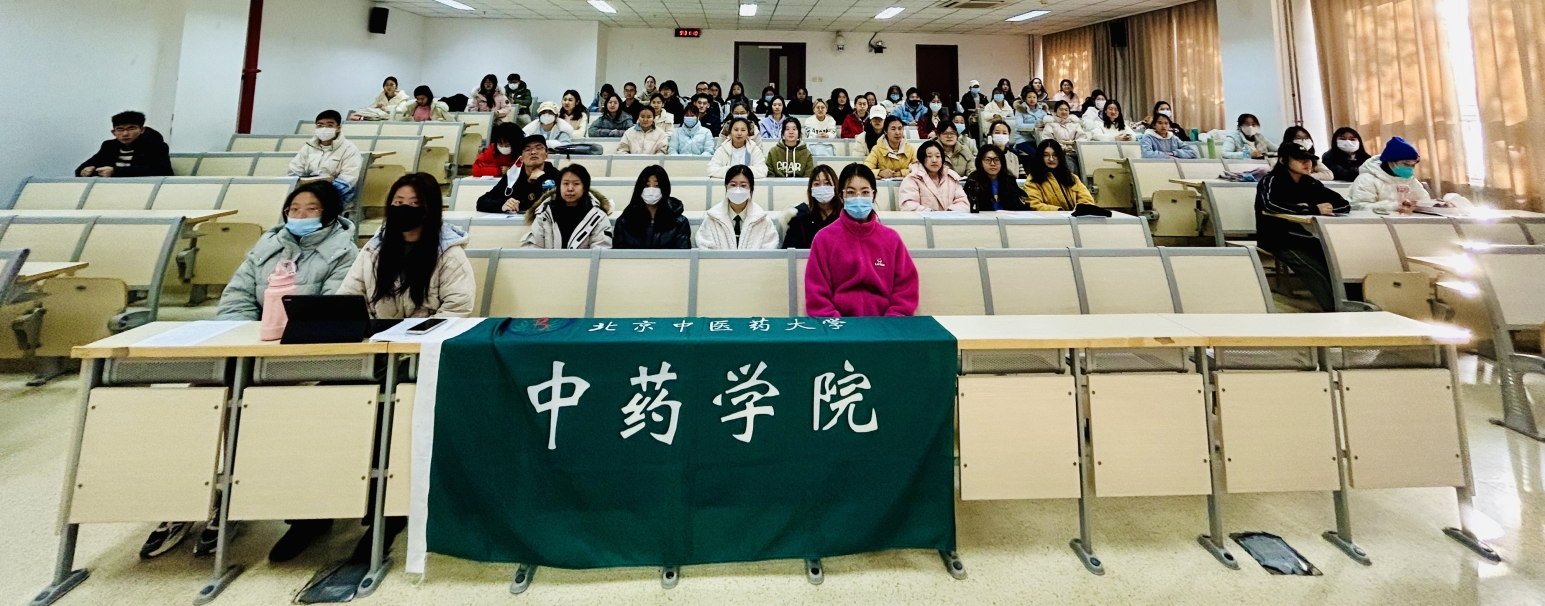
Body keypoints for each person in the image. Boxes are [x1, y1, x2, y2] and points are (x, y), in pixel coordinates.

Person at [340, 173, 474, 322]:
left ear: (430, 208)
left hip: (427, 333)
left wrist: (417, 332)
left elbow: (457, 307)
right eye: (398, 202)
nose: (404, 208)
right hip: (377, 332)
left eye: (415, 203)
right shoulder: (374, 249)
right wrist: (370, 328)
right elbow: (349, 295)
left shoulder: (448, 253)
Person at [215, 180, 357, 320]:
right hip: (260, 330)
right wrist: (243, 329)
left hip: (310, 331)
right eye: (294, 209)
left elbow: (332, 311)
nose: (300, 216)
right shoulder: (267, 246)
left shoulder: (344, 253)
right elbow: (237, 298)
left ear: (330, 212)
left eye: (311, 209)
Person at [805, 163, 919, 318]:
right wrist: (837, 325)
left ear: (874, 195)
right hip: (840, 325)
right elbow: (817, 294)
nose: (858, 198)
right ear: (841, 196)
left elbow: (906, 288)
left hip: (885, 323)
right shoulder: (824, 239)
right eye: (851, 192)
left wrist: (892, 320)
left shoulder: (891, 239)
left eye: (865, 192)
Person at [1255, 142, 1350, 312]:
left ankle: (1353, 304)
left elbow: (1343, 204)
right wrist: (1311, 209)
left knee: (1338, 262)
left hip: (1306, 238)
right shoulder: (1270, 181)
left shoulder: (1310, 182)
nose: (1307, 163)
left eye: (1309, 159)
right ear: (1283, 160)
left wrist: (1326, 208)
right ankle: (1336, 311)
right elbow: (1269, 205)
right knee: (1315, 270)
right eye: (1300, 159)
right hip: (1277, 239)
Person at [520, 165, 613, 249]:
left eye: (576, 184)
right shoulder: (544, 213)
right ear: (559, 186)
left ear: (584, 188)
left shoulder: (597, 216)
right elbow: (532, 247)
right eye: (565, 183)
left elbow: (601, 249)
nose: (570, 188)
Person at [697, 165, 779, 249]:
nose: (738, 190)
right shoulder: (712, 218)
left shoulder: (763, 220)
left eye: (743, 185)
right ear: (726, 186)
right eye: (733, 185)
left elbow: (769, 249)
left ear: (750, 187)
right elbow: (705, 248)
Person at [476, 134, 561, 213]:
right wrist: (502, 204)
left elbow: (558, 204)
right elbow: (481, 202)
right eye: (528, 149)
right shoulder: (513, 176)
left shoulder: (557, 176)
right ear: (521, 158)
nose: (533, 152)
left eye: (538, 148)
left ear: (546, 155)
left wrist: (542, 179)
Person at [612, 165, 690, 249]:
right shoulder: (624, 222)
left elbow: (683, 254)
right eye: (647, 185)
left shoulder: (680, 223)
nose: (651, 191)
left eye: (657, 186)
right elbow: (617, 254)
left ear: (665, 189)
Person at [1349, 136, 1434, 213]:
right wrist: (1393, 206)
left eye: (1413, 165)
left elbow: (1424, 201)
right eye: (1406, 164)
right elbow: (1359, 207)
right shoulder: (1366, 179)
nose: (1410, 168)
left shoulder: (1411, 181)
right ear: (1391, 162)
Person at [288, 110, 363, 198]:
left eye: (329, 125)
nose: (324, 129)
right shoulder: (308, 147)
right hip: (307, 192)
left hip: (336, 195)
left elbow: (347, 179)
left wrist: (321, 195)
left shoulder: (349, 149)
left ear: (338, 128)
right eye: (320, 125)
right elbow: (294, 172)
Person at [77, 111, 172, 179]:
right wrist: (83, 171)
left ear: (142, 130)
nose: (125, 134)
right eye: (120, 129)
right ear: (113, 132)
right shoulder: (109, 146)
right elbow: (82, 168)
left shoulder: (156, 146)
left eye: (131, 128)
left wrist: (115, 172)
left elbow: (162, 170)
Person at [1023, 140, 1095, 211]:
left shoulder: (1072, 178)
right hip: (1052, 218)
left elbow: (1087, 200)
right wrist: (1057, 211)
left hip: (1075, 217)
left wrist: (1079, 210)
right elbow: (1033, 204)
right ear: (1040, 157)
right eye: (1046, 155)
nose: (1051, 159)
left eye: (1055, 155)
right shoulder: (1033, 179)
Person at [898, 140, 969, 212]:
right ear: (922, 158)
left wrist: (950, 213)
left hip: (950, 218)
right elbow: (907, 206)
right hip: (924, 218)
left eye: (938, 156)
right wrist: (932, 214)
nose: (934, 160)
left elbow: (963, 203)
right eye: (929, 156)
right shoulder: (912, 179)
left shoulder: (951, 178)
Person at [781, 165, 841, 249]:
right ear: (811, 189)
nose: (822, 187)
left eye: (827, 183)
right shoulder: (800, 217)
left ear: (835, 186)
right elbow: (788, 252)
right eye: (817, 184)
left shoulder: (845, 216)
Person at [963, 146, 1030, 211]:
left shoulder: (1010, 181)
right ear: (981, 163)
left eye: (997, 160)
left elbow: (1018, 206)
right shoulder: (973, 181)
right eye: (988, 160)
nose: (992, 164)